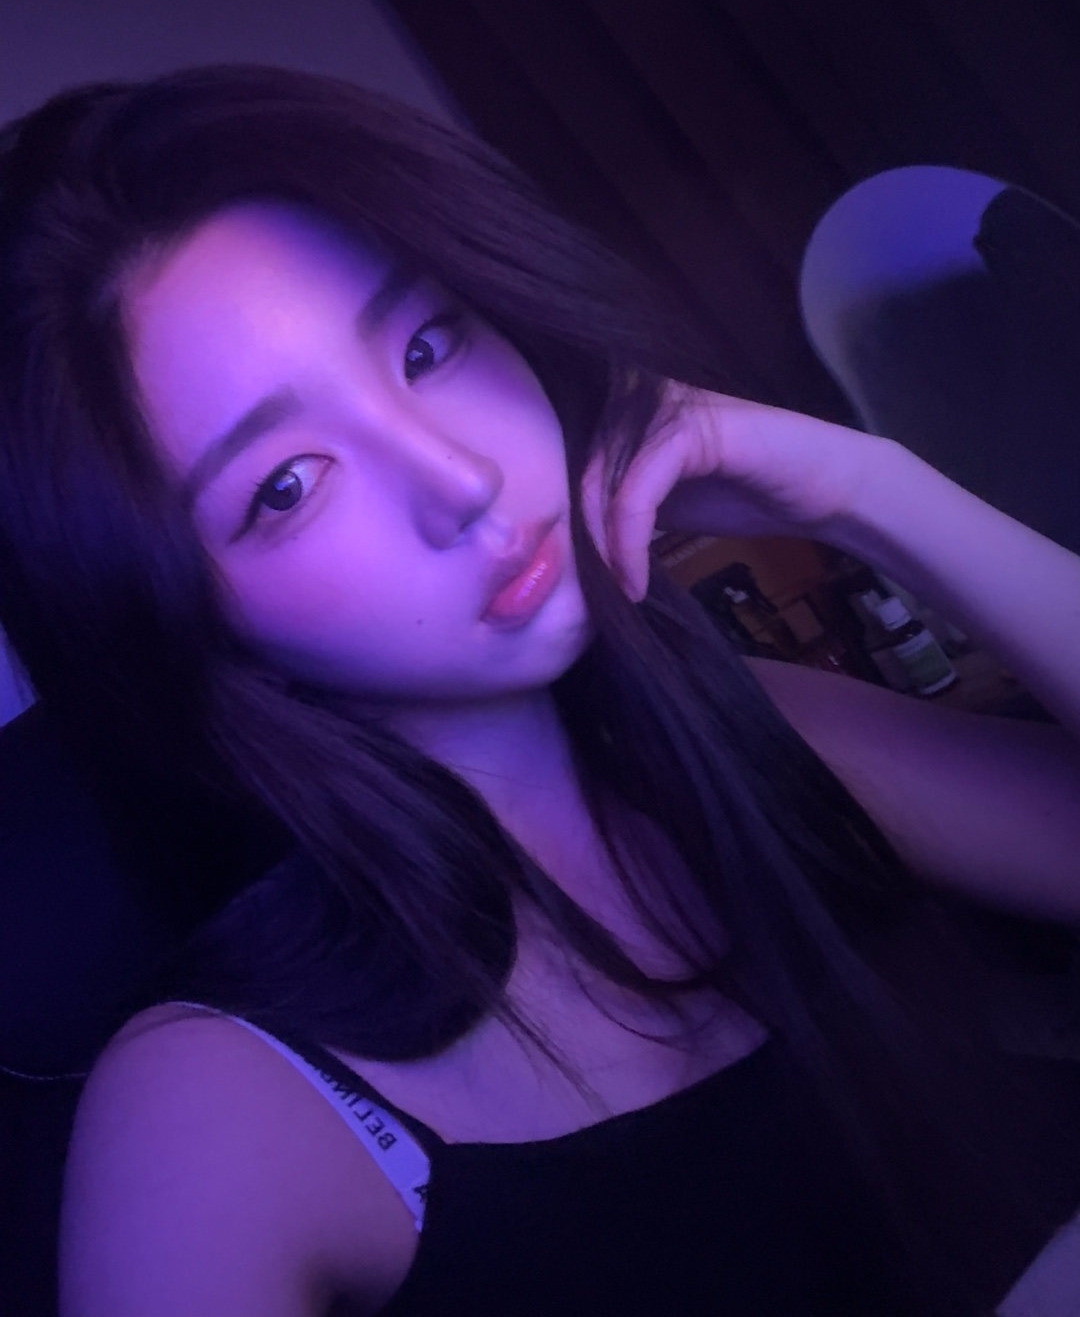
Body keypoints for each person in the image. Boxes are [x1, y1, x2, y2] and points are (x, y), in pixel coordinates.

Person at [1, 66, 1080, 1317]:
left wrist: (866, 493)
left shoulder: (755, 734)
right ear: (182, 622)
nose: (457, 478)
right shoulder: (217, 1112)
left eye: (426, 344)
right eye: (286, 486)